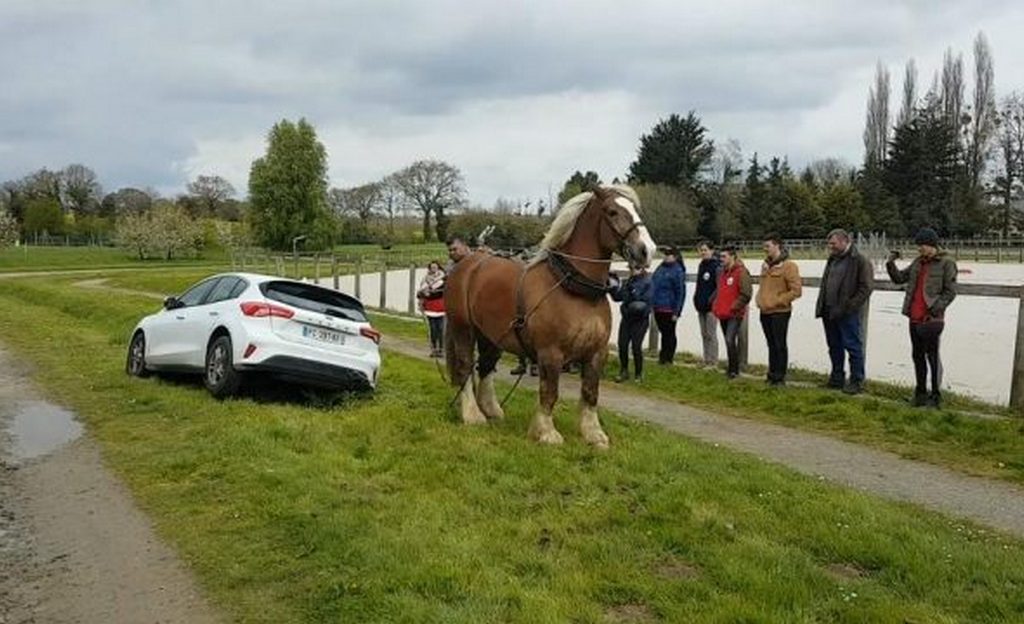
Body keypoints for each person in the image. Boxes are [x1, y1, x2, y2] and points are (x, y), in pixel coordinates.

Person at [886, 227, 957, 408]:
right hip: (914, 316)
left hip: (932, 319)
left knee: (932, 356)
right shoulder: (918, 262)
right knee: (917, 355)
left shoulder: (947, 263)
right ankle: (920, 393)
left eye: (922, 245)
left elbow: (950, 291)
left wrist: (935, 310)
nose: (919, 249)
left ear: (932, 245)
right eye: (919, 246)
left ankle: (935, 394)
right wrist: (890, 263)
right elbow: (899, 278)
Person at [815, 228, 874, 395]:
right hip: (829, 310)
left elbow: (866, 287)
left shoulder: (860, 260)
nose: (830, 247)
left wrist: (850, 306)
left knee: (853, 346)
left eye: (833, 243)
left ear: (844, 241)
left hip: (847, 312)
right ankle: (837, 377)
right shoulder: (832, 259)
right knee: (834, 346)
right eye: (829, 244)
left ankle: (856, 380)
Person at [756, 234, 802, 386]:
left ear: (777, 246)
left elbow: (796, 291)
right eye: (764, 246)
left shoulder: (789, 266)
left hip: (780, 312)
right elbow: (763, 286)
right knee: (771, 344)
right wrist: (760, 300)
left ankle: (779, 376)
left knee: (779, 344)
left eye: (768, 246)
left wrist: (778, 300)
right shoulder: (765, 265)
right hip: (765, 311)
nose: (765, 249)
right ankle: (771, 373)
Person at [712, 245, 752, 379]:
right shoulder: (722, 273)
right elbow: (720, 291)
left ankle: (734, 369)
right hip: (723, 312)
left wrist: (735, 306)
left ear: (732, 256)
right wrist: (715, 305)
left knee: (730, 339)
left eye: (724, 256)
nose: (721, 259)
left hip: (734, 313)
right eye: (720, 257)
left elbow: (746, 293)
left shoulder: (741, 272)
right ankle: (731, 368)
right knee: (728, 340)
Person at [610, 266, 653, 382]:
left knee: (636, 346)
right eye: (631, 268)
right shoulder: (628, 281)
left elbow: (646, 300)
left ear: (642, 268)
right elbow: (618, 297)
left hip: (640, 319)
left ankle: (639, 373)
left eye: (635, 268)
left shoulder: (648, 282)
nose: (632, 270)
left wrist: (633, 291)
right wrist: (613, 284)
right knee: (622, 345)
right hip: (627, 317)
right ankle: (624, 371)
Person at [650, 246, 686, 364]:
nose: (665, 257)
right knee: (663, 332)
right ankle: (663, 356)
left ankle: (668, 358)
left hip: (669, 308)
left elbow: (680, 292)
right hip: (657, 306)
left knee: (669, 333)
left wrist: (677, 311)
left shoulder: (678, 271)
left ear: (674, 257)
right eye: (665, 254)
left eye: (668, 255)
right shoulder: (660, 268)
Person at [693, 241, 721, 367]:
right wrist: (696, 298)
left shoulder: (717, 266)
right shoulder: (701, 265)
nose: (703, 252)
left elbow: (719, 287)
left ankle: (713, 361)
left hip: (712, 307)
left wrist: (712, 300)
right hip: (701, 305)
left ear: (712, 250)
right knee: (704, 334)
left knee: (711, 334)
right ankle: (706, 359)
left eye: (705, 250)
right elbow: (699, 285)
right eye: (701, 250)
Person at [417, 260, 447, 357]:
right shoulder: (425, 280)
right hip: (430, 307)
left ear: (438, 268)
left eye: (435, 267)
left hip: (441, 307)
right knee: (433, 330)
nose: (434, 269)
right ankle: (434, 349)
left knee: (441, 329)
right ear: (429, 269)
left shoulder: (444, 279)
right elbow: (420, 293)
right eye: (432, 267)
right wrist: (422, 296)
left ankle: (441, 349)